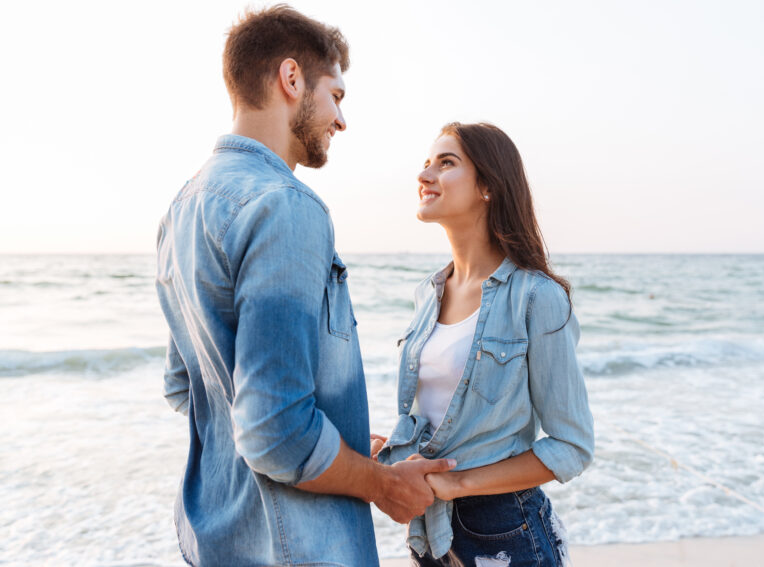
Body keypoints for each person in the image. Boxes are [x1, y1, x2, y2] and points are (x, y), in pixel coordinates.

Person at [155, 6, 454, 566]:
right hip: (301, 548)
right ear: (291, 80)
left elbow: (186, 388)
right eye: (337, 96)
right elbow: (273, 430)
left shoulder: (180, 211)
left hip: (216, 543)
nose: (341, 120)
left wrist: (335, 445)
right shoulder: (286, 207)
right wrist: (381, 484)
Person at [375, 122, 595, 565]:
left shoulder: (537, 297)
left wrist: (457, 483)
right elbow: (444, 416)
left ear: (488, 187)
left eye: (446, 163)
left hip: (504, 530)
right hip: (429, 528)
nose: (425, 175)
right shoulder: (427, 294)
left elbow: (572, 445)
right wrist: (391, 451)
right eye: (425, 163)